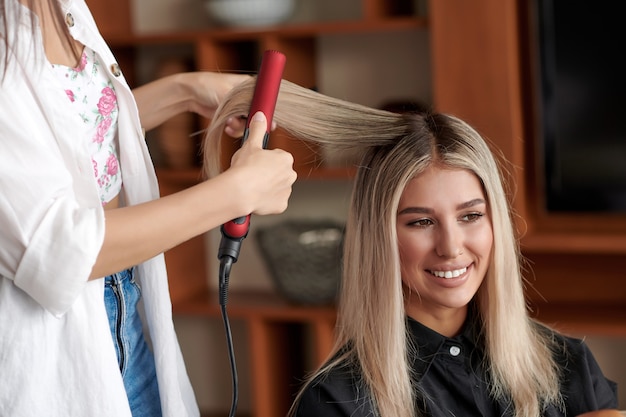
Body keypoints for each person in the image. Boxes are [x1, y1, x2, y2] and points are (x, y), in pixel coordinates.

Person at [203, 79, 621, 417]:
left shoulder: (566, 364)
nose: (452, 246)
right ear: (379, 235)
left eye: (471, 216)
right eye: (421, 222)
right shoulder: (337, 402)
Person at [0, 1, 296, 416]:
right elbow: (58, 250)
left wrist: (183, 91)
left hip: (122, 312)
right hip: (49, 355)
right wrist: (235, 193)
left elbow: (72, 131)